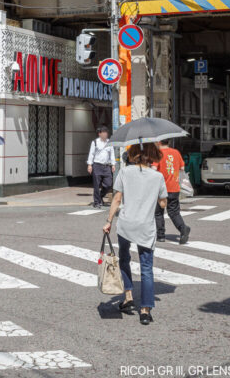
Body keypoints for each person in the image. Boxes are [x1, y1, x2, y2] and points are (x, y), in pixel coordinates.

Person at [103, 142, 167, 326]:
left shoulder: (124, 172)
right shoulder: (157, 176)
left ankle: (128, 296)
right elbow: (163, 203)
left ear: (133, 154)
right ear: (152, 155)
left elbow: (116, 199)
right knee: (146, 268)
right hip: (145, 226)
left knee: (124, 258)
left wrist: (108, 221)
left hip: (126, 224)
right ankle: (145, 310)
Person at [152, 141, 190, 244]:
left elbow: (154, 169)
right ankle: (183, 229)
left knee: (158, 212)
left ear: (159, 142)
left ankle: (161, 236)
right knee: (173, 212)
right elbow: (182, 168)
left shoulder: (158, 153)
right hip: (174, 187)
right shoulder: (176, 152)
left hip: (161, 188)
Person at [86, 126, 116, 208]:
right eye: (103, 132)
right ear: (99, 133)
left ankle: (100, 196)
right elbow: (91, 154)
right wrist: (89, 165)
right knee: (96, 184)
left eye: (106, 132)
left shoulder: (109, 142)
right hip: (97, 165)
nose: (105, 134)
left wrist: (113, 164)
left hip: (106, 166)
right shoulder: (95, 142)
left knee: (108, 184)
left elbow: (112, 154)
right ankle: (97, 202)